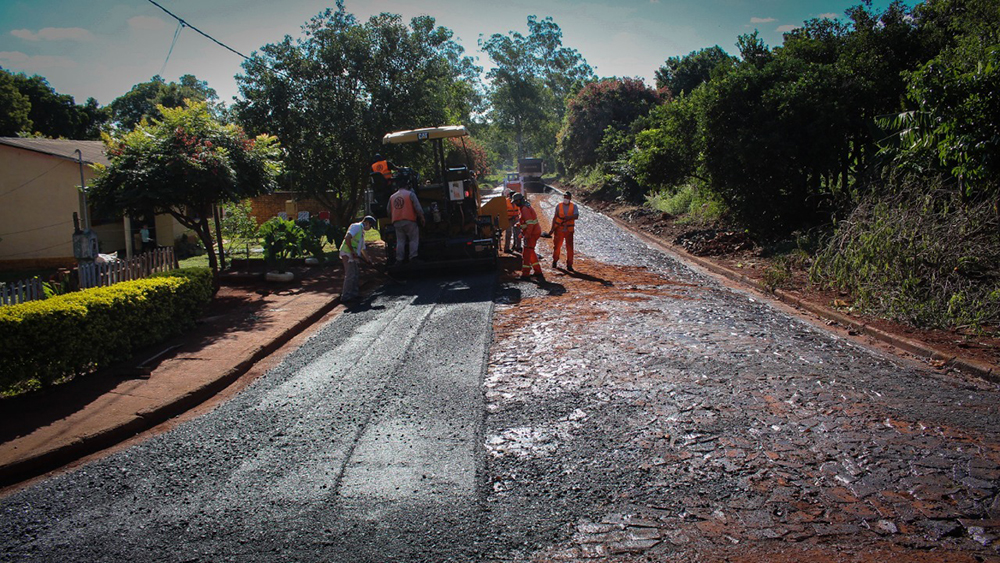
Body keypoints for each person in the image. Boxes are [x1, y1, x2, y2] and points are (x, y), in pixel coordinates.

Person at [387, 178, 426, 263]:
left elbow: (388, 211)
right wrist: (422, 218)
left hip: (397, 222)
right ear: (406, 185)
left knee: (400, 241)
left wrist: (392, 219)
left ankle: (399, 259)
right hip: (409, 221)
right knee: (413, 239)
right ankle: (413, 257)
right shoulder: (410, 194)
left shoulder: (392, 197)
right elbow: (418, 208)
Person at [339, 215, 377, 302]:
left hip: (353, 255)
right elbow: (347, 238)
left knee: (355, 274)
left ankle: (353, 294)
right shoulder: (356, 227)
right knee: (350, 275)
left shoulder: (361, 233)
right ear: (367, 223)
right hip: (347, 254)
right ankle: (346, 296)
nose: (369, 229)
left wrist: (368, 260)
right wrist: (352, 251)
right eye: (370, 226)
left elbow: (363, 249)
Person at [512, 193, 543, 280]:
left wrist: (526, 235)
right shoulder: (525, 207)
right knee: (531, 252)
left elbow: (530, 224)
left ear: (519, 201)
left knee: (526, 254)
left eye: (515, 202)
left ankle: (525, 274)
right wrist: (520, 226)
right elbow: (527, 222)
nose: (515, 203)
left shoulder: (524, 209)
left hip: (532, 234)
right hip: (533, 232)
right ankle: (538, 271)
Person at [548, 191, 579, 271]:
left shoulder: (574, 206)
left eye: (567, 197)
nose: (566, 198)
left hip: (569, 230)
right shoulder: (559, 206)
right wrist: (552, 229)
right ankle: (555, 261)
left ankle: (569, 265)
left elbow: (576, 216)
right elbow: (555, 218)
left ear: (570, 198)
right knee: (557, 247)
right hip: (559, 230)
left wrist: (569, 217)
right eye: (564, 197)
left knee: (570, 248)